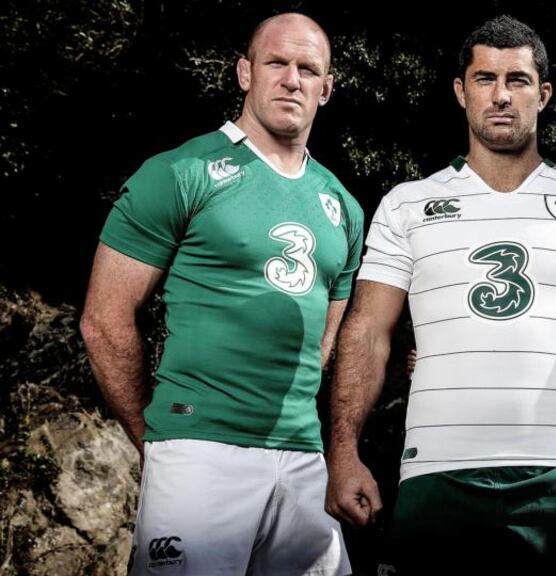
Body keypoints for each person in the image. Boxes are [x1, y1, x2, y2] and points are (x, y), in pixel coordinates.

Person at [324, 15, 556, 576]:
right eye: (485, 79)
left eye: (518, 80)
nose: (501, 95)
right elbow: (367, 332)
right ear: (461, 92)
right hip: (435, 471)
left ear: (544, 94)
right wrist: (343, 453)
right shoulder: (407, 204)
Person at [79, 13, 361, 575]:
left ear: (326, 88)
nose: (292, 79)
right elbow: (103, 320)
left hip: (304, 459)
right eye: (276, 63)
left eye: (308, 69)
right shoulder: (179, 172)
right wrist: (155, 439)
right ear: (244, 73)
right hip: (199, 448)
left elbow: (323, 345)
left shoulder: (344, 206)